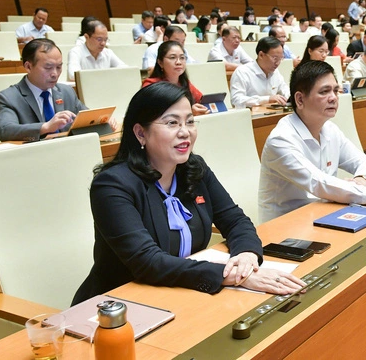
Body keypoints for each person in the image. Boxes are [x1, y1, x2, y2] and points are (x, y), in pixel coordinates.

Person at [72, 82, 305, 304]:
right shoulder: (112, 185)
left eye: (190, 122)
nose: (185, 132)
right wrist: (232, 276)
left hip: (182, 292)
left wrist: (246, 256)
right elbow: (147, 262)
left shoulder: (194, 169)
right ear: (140, 133)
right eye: (172, 123)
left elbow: (235, 220)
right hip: (121, 305)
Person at [258, 61, 366, 222]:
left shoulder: (331, 130)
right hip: (288, 225)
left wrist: (361, 180)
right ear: (300, 99)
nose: (333, 97)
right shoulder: (281, 140)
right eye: (324, 92)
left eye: (335, 90)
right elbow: (319, 183)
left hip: (326, 212)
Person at [0, 39, 88, 141]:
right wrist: (46, 127)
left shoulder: (66, 91)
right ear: (28, 66)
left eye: (58, 67)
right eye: (48, 67)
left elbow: (88, 117)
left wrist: (105, 119)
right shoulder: (9, 97)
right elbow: (5, 130)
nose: (55, 74)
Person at [142, 41, 208, 116]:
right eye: (172, 57)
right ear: (160, 62)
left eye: (182, 58)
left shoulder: (184, 82)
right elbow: (154, 114)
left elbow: (201, 100)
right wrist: (188, 112)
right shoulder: (151, 85)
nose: (178, 62)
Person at [230, 37, 290, 108]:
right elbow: (236, 101)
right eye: (275, 58)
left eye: (281, 58)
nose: (278, 63)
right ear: (261, 55)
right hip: (249, 116)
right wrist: (267, 99)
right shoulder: (242, 72)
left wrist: (290, 98)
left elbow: (285, 90)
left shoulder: (275, 72)